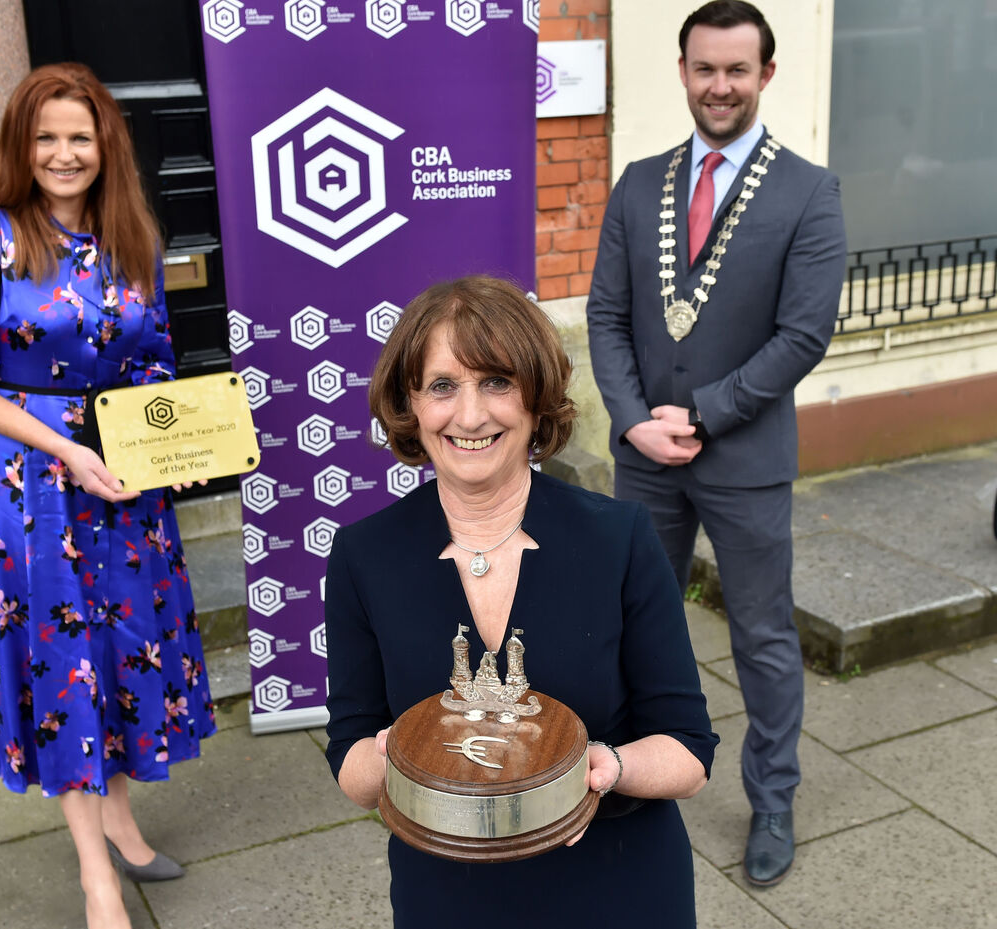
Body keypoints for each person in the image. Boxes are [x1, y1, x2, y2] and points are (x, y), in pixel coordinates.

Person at [324, 276, 718, 928]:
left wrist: (607, 767)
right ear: (411, 405)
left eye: (497, 382)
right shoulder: (364, 556)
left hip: (618, 886)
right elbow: (351, 765)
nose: (471, 414)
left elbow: (690, 753)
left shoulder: (619, 540)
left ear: (536, 400)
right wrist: (397, 749)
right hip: (447, 896)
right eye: (444, 385)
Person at [0, 63, 216, 929]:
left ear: (105, 145)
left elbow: (156, 358)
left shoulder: (134, 234)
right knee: (63, 665)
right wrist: (64, 447)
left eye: (78, 137)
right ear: (23, 144)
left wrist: (175, 443)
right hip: (30, 485)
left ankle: (120, 819)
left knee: (123, 652)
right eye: (45, 137)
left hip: (121, 482)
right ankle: (96, 872)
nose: (62, 153)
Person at [585, 0, 847, 887]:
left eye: (738, 69)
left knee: (764, 639)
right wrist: (629, 419)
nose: (721, 85)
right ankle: (629, 774)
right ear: (685, 72)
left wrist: (701, 412)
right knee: (629, 623)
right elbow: (607, 316)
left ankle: (772, 797)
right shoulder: (637, 181)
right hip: (643, 458)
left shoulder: (810, 191)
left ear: (766, 75)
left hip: (742, 458)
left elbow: (803, 334)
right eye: (706, 68)